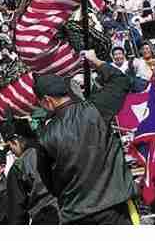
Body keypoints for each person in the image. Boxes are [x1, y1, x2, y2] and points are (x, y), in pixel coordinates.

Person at [34, 53, 136, 224]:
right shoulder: (96, 109)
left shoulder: (45, 136)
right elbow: (121, 80)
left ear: (47, 101)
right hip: (113, 207)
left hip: (77, 213)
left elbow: (48, 181)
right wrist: (96, 61)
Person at [0, 117, 59, 225]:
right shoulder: (56, 148)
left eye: (9, 146)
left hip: (45, 218)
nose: (11, 151)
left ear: (15, 141)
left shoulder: (19, 167)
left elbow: (17, 212)